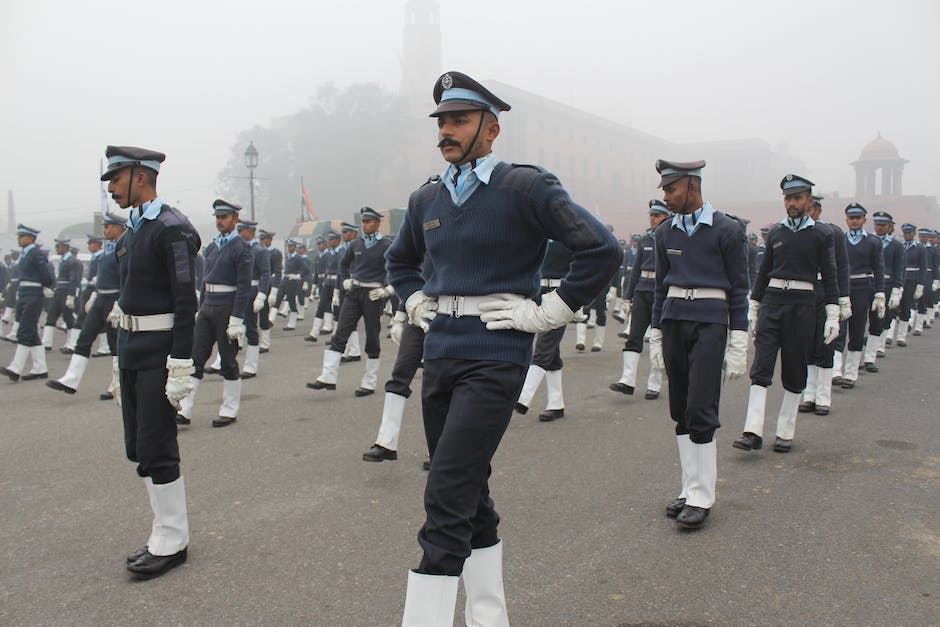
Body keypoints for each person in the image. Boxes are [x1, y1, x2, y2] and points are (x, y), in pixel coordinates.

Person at [385, 71, 621, 626]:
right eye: (441, 120)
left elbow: (601, 250)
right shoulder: (426, 196)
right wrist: (416, 301)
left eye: (459, 120)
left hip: (496, 355)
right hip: (441, 350)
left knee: (444, 492)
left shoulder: (525, 187)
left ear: (491, 130)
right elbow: (399, 262)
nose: (446, 130)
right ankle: (490, 618)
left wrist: (549, 313)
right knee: (470, 489)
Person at [102, 145, 200, 578]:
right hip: (132, 348)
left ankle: (173, 539)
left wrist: (181, 362)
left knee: (158, 445)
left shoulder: (171, 228)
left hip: (160, 351)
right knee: (137, 446)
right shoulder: (132, 232)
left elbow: (184, 299)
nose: (111, 189)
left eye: (116, 179)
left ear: (141, 176)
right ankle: (160, 528)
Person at [649, 159, 749, 530]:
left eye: (671, 189)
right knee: (680, 410)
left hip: (710, 321)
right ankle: (688, 487)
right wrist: (656, 333)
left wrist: (739, 336)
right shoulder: (665, 234)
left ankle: (702, 496)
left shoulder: (726, 229)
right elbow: (661, 287)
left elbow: (739, 287)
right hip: (675, 319)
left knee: (701, 407)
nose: (667, 197)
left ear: (693, 186)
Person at [732, 175, 838, 454]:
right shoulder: (777, 232)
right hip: (773, 303)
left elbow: (830, 275)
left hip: (802, 305)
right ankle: (752, 430)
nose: (791, 204)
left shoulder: (821, 234)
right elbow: (764, 271)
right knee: (761, 366)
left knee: (794, 367)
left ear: (809, 201)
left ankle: (784, 431)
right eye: (788, 199)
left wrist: (834, 311)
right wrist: (754, 305)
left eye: (797, 198)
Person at [177, 199, 251, 428]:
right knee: (195, 358)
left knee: (228, 360)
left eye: (224, 217)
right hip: (209, 306)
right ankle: (184, 410)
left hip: (227, 307)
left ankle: (229, 410)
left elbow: (244, 286)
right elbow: (204, 280)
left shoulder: (241, 247)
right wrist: (200, 308)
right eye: (217, 217)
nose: (220, 221)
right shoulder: (212, 246)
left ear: (235, 220)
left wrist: (237, 319)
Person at [308, 207, 393, 396]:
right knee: (341, 331)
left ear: (377, 224)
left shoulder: (386, 245)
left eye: (369, 221)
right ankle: (327, 376)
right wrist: (344, 280)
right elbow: (343, 264)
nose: (365, 225)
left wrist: (386, 289)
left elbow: (392, 268)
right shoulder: (355, 244)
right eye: (363, 221)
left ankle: (369, 382)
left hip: (373, 294)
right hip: (354, 291)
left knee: (372, 335)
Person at [47, 212, 128, 396]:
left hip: (115, 299)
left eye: (109, 227)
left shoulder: (126, 245)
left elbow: (128, 276)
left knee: (116, 344)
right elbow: (103, 274)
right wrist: (94, 294)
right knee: (84, 338)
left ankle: (118, 385)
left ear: (119, 228)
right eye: (105, 226)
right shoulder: (108, 248)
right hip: (100, 298)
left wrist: (121, 302)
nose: (105, 230)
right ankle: (71, 379)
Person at [610, 199, 671, 400]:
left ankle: (654, 384)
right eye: (651, 215)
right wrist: (627, 296)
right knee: (634, 335)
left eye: (657, 215)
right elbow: (635, 270)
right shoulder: (645, 239)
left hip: (661, 292)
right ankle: (628, 380)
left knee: (657, 337)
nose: (653, 218)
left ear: (667, 216)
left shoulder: (672, 237)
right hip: (642, 291)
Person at [798, 194, 850, 416]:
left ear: (818, 210)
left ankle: (823, 396)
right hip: (804, 291)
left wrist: (843, 298)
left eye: (812, 209)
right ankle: (808, 394)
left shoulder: (832, 232)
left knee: (826, 342)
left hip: (826, 290)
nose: (808, 213)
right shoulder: (796, 233)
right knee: (807, 344)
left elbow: (842, 267)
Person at [514, 239, 575, 421]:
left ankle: (523, 397)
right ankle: (556, 404)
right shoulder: (538, 238)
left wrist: (578, 299)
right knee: (551, 353)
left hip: (560, 297)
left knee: (544, 347)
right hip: (539, 293)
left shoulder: (568, 238)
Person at [838, 203, 885, 389]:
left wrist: (879, 291)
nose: (854, 221)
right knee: (838, 329)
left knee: (857, 330)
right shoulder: (840, 240)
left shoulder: (873, 242)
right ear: (847, 220)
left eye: (858, 218)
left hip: (863, 287)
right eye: (851, 218)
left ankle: (850, 373)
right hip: (843, 287)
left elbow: (879, 268)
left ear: (864, 220)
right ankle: (835, 371)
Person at [1, 225, 54, 381]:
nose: (19, 239)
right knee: (31, 333)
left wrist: (45, 286)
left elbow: (46, 274)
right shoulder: (25, 253)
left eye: (22, 236)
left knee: (24, 331)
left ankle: (15, 368)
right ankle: (40, 368)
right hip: (25, 294)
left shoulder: (35, 253)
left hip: (33, 295)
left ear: (30, 238)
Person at [866, 212, 904, 367]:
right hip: (868, 283)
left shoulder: (896, 245)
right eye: (877, 225)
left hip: (887, 284)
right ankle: (865, 353)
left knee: (881, 319)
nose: (879, 228)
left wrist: (897, 288)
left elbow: (899, 268)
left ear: (889, 227)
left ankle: (873, 354)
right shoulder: (870, 241)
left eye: (883, 225)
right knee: (861, 320)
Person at [236, 218, 270, 379]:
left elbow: (265, 274)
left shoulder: (260, 250)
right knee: (232, 325)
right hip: (238, 290)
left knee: (250, 327)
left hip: (252, 290)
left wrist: (261, 295)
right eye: (239, 230)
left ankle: (251, 366)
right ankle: (223, 361)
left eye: (242, 230)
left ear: (251, 231)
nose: (239, 233)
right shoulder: (237, 248)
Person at [42, 238, 83, 352]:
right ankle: (46, 343)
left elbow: (75, 280)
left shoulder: (73, 261)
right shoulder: (63, 260)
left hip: (66, 292)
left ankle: (71, 344)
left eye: (58, 246)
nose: (57, 249)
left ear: (65, 247)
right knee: (51, 315)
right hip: (60, 291)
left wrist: (71, 296)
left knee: (68, 318)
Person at [893, 223, 926, 346]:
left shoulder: (920, 248)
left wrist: (921, 284)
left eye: (909, 232)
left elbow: (923, 267)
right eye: (905, 232)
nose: (907, 235)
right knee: (893, 308)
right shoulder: (899, 246)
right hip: (899, 279)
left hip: (912, 280)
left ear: (914, 233)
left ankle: (901, 337)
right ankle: (889, 335)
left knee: (906, 307)